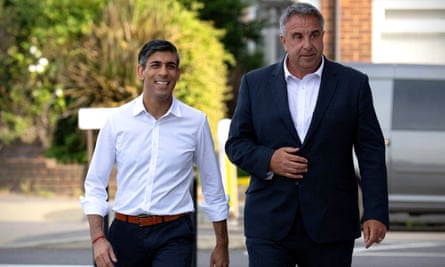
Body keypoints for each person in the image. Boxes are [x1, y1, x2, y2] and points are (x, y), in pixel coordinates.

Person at [225, 2, 389, 267]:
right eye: (298, 37)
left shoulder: (353, 84)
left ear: (323, 36)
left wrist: (376, 213)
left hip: (331, 223)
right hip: (269, 224)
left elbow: (370, 151)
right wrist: (269, 160)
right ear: (284, 41)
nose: (307, 44)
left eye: (314, 35)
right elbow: (236, 144)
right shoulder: (254, 84)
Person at [80, 40, 229, 267]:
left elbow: (213, 186)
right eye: (155, 65)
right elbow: (95, 184)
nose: (163, 72)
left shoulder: (196, 122)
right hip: (125, 231)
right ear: (141, 71)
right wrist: (98, 238)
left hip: (174, 233)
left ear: (178, 73)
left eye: (170, 66)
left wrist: (222, 244)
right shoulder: (118, 121)